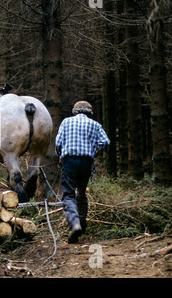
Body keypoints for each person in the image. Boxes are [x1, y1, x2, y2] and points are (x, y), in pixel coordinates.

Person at [55, 101, 110, 244]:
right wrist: (95, 152)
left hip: (69, 161)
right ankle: (82, 222)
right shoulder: (95, 125)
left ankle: (74, 224)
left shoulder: (66, 122)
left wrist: (60, 156)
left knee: (68, 194)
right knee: (82, 192)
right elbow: (106, 143)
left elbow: (58, 143)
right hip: (86, 163)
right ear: (89, 112)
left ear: (75, 111)